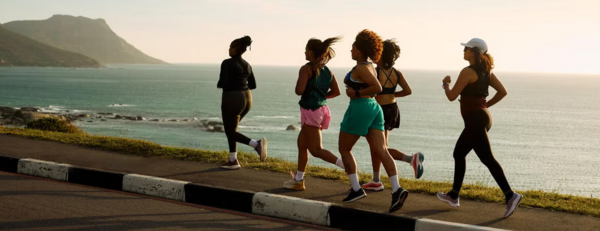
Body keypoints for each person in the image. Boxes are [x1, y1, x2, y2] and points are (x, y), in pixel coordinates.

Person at [436, 38, 522, 218]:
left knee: (488, 159)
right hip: (481, 118)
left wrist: (445, 84)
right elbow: (503, 92)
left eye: (466, 48)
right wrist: (485, 105)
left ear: (474, 52)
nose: (464, 51)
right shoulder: (487, 72)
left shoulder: (467, 71)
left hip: (475, 120)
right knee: (459, 153)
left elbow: (452, 96)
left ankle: (510, 195)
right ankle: (453, 195)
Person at [338, 29, 408, 213]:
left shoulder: (361, 67)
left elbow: (377, 87)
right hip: (374, 108)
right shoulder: (369, 66)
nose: (350, 50)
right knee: (381, 150)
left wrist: (356, 93)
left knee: (344, 149)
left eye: (353, 47)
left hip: (360, 107)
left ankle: (355, 189)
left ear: (360, 50)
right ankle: (396, 189)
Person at [283, 36, 345, 191]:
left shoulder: (306, 69)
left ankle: (346, 165)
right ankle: (298, 180)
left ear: (311, 52)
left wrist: (304, 85)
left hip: (311, 110)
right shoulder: (328, 71)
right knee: (302, 144)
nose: (304, 52)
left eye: (306, 49)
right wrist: (322, 95)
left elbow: (299, 91)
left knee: (316, 150)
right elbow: (337, 92)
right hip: (319, 109)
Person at [362, 39, 425, 192]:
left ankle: (410, 159)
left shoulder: (375, 72)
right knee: (379, 146)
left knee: (378, 147)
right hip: (393, 109)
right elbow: (408, 91)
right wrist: (392, 94)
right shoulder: (396, 72)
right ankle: (376, 180)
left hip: (378, 110)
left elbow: (369, 91)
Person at [217, 35, 267, 170]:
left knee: (230, 131)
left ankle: (256, 144)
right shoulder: (247, 65)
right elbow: (253, 85)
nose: (229, 49)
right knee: (231, 130)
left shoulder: (226, 63)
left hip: (232, 98)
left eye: (231, 47)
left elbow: (222, 83)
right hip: (247, 98)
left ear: (235, 49)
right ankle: (233, 160)